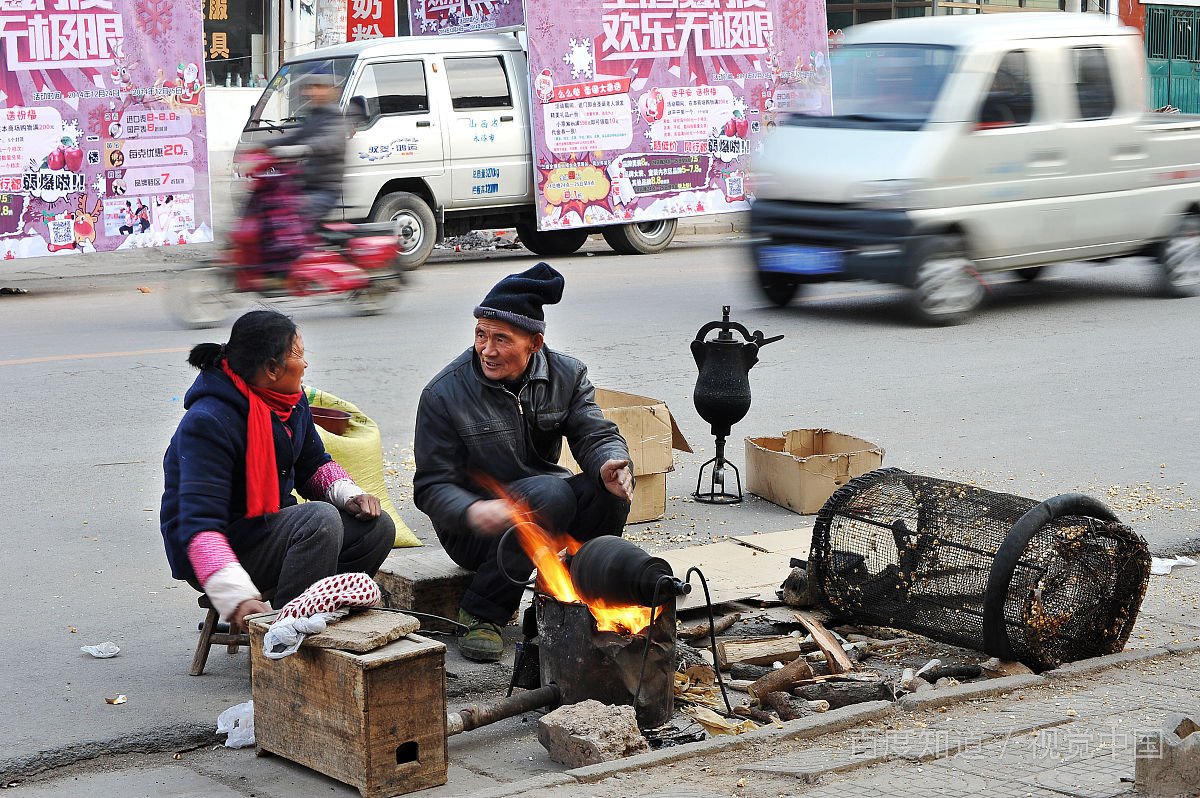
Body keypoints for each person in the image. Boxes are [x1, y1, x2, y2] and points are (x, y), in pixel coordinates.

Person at [413, 262, 635, 662]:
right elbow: (431, 486)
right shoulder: (444, 394)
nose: (487, 349)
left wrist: (610, 462)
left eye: (501, 339)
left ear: (535, 343)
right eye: (481, 335)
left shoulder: (567, 374)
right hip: (476, 529)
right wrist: (472, 509)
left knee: (608, 491)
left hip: (545, 505)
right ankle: (481, 613)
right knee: (552, 493)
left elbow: (593, 432)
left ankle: (573, 600)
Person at [160, 310, 394, 633]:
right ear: (271, 369)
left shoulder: (291, 402)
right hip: (224, 544)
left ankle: (319, 611)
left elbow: (314, 463)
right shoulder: (208, 422)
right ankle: (285, 636)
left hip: (269, 527)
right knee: (319, 522)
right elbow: (200, 526)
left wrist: (350, 495)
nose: (305, 364)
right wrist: (237, 596)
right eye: (297, 354)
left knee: (377, 528)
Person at [271, 68, 351, 229]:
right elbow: (293, 137)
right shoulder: (313, 117)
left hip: (324, 191)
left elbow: (328, 142)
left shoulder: (336, 118)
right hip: (303, 186)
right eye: (311, 86)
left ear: (333, 91)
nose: (313, 91)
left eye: (320, 86)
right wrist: (263, 146)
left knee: (289, 219)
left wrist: (303, 149)